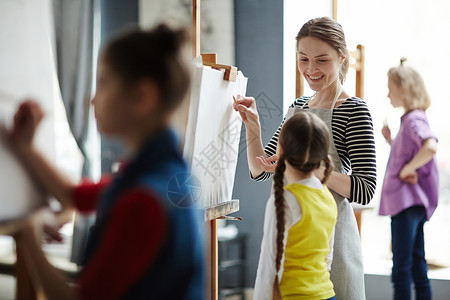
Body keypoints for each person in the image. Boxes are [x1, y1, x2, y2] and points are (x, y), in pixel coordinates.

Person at [7, 24, 204, 299]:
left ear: (141, 97)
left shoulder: (143, 199)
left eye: (103, 82)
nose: (92, 99)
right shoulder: (163, 174)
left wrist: (27, 234)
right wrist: (27, 148)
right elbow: (74, 195)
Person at [234, 17, 376, 299]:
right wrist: (254, 127)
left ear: (341, 58)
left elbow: (365, 190)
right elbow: (262, 169)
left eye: (322, 60)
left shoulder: (355, 111)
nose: (311, 69)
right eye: (303, 59)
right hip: (296, 258)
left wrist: (312, 170)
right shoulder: (297, 107)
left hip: (335, 250)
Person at [253, 112, 337, 300]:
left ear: (280, 151)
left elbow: (268, 265)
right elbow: (327, 259)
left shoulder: (284, 200)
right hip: (326, 294)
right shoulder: (327, 197)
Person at [379, 58, 438, 300]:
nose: (387, 94)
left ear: (403, 89)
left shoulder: (413, 119)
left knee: (401, 268)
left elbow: (430, 146)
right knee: (416, 263)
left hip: (406, 204)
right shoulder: (410, 120)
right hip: (410, 204)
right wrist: (390, 140)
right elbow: (408, 154)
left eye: (390, 88)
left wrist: (407, 170)